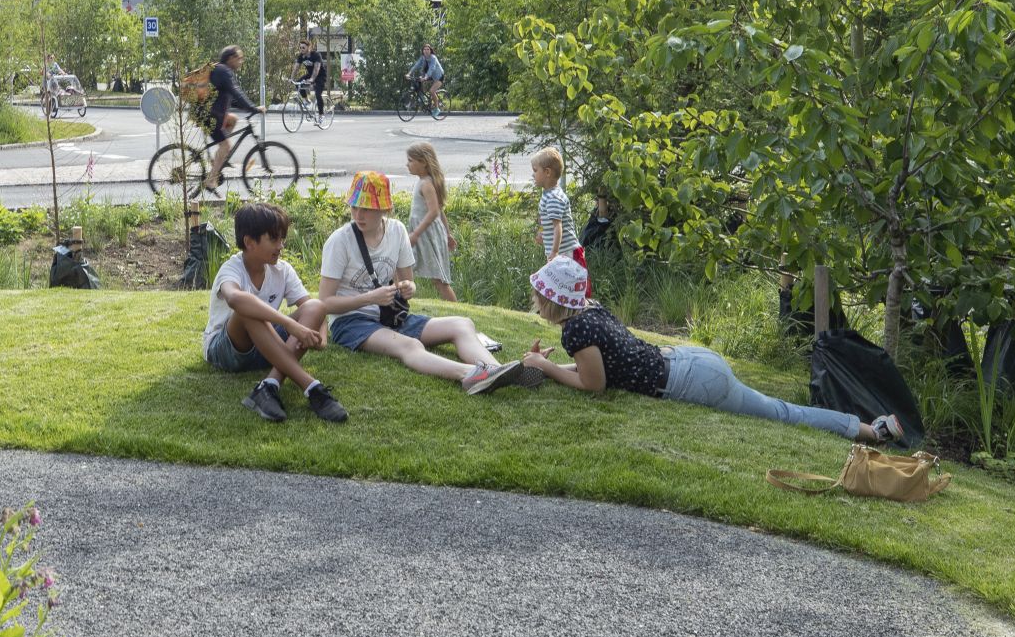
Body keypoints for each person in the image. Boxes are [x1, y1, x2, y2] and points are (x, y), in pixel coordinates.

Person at [512, 255, 905, 441]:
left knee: (780, 414)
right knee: (779, 409)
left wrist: (544, 368)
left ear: (551, 300)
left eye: (538, 294)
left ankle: (871, 431)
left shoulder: (574, 331)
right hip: (688, 359)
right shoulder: (589, 312)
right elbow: (600, 362)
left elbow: (594, 385)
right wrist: (555, 363)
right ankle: (871, 427)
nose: (535, 300)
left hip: (690, 380)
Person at [320, 171, 533, 391]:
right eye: (354, 207)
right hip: (351, 322)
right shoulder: (340, 241)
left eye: (366, 209)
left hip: (390, 316)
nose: (358, 215)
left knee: (462, 324)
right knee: (410, 345)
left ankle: (499, 371)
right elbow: (325, 302)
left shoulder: (397, 231)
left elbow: (408, 282)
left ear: (384, 209)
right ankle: (471, 375)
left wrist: (407, 288)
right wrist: (369, 298)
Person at [204, 202, 346, 424]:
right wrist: (289, 325)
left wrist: (323, 337)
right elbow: (235, 299)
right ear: (249, 242)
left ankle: (269, 385)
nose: (281, 246)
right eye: (273, 239)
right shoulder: (231, 269)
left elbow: (314, 310)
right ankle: (311, 386)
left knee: (317, 306)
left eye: (282, 238)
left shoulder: (282, 269)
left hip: (267, 347)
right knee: (247, 308)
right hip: (227, 350)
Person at [199, 44, 259, 195]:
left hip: (212, 114)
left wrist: (248, 107)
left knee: (233, 119)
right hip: (209, 116)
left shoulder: (222, 71)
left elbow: (232, 99)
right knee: (226, 146)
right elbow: (236, 92)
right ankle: (211, 180)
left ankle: (218, 159)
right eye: (239, 58)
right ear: (231, 58)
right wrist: (253, 108)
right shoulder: (223, 71)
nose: (241, 61)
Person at [404, 143, 458, 304]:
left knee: (439, 280)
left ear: (424, 162)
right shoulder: (423, 181)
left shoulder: (427, 184)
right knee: (401, 265)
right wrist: (447, 234)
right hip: (425, 233)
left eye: (410, 160)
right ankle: (396, 298)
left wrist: (415, 234)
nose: (407, 164)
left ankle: (457, 310)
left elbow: (435, 211)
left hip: (427, 235)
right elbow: (440, 211)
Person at [531, 146, 579, 263]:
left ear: (547, 172)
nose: (533, 174)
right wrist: (543, 232)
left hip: (566, 253)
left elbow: (558, 226)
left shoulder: (553, 197)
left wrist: (554, 251)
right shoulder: (548, 194)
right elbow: (547, 221)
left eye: (535, 170)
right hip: (562, 253)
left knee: (565, 281)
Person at [291, 37, 329, 118]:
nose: (301, 49)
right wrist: (292, 78)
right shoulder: (301, 56)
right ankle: (307, 100)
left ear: (309, 47)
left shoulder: (316, 55)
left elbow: (316, 69)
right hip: (310, 74)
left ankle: (321, 115)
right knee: (298, 83)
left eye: (303, 47)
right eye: (300, 47)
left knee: (318, 94)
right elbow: (296, 68)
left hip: (320, 76)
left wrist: (312, 79)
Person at [407, 43, 444, 109]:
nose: (426, 51)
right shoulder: (423, 58)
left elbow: (431, 68)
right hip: (429, 76)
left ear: (430, 51)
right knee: (418, 82)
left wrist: (425, 77)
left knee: (432, 91)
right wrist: (409, 73)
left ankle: (437, 108)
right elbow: (416, 65)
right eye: (424, 49)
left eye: (428, 49)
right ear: (423, 51)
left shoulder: (433, 58)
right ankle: (424, 99)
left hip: (439, 76)